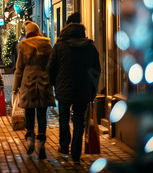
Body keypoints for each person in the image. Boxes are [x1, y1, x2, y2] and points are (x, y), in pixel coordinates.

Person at [47, 12, 101, 163]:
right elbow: (96, 70)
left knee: (63, 118)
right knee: (79, 120)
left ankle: (64, 146)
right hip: (83, 90)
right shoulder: (90, 47)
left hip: (63, 89)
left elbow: (51, 68)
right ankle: (76, 153)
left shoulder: (59, 46)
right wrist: (92, 88)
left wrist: (54, 83)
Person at [12, 21, 55, 158]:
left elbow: (19, 69)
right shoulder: (47, 44)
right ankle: (41, 142)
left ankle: (30, 139)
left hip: (28, 82)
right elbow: (51, 65)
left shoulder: (24, 45)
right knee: (42, 114)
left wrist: (15, 87)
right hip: (44, 82)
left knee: (29, 112)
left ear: (27, 32)